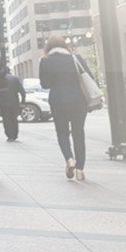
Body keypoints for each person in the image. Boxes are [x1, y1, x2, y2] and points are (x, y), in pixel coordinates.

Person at [37, 36, 91, 180]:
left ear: (49, 48)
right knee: (78, 133)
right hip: (79, 101)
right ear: (64, 46)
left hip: (58, 101)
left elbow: (45, 84)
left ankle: (69, 159)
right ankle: (80, 169)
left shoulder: (45, 61)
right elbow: (89, 77)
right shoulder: (76, 58)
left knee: (62, 133)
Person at [0, 62, 25, 143]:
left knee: (6, 119)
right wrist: (23, 101)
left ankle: (9, 136)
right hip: (14, 102)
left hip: (3, 103)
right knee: (14, 118)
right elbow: (22, 91)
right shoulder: (15, 79)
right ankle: (15, 135)